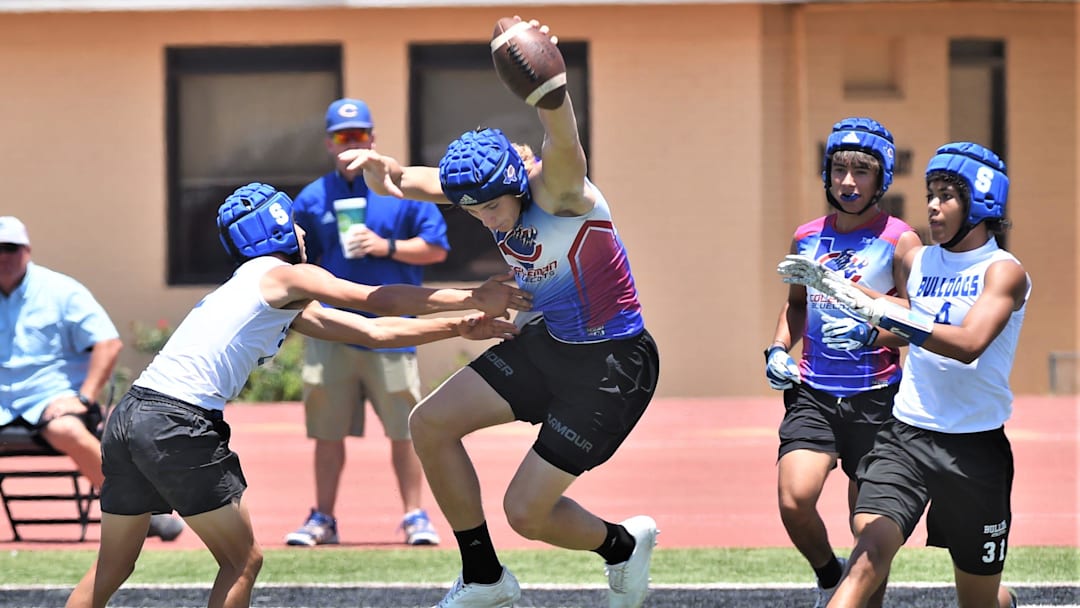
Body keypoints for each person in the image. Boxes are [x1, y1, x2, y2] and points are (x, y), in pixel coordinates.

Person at [64, 182, 530, 608]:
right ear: (279, 228)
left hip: (131, 416)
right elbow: (376, 301)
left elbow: (375, 333)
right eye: (294, 221)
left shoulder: (259, 291)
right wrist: (472, 295)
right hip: (177, 423)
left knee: (113, 568)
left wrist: (463, 327)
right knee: (242, 561)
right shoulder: (283, 276)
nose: (304, 231)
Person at [354, 18, 660, 608]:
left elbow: (562, 141)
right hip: (548, 346)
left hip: (612, 368)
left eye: (494, 207)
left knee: (526, 513)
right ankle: (483, 576)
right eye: (473, 211)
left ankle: (621, 545)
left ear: (517, 182)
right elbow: (415, 182)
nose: (488, 220)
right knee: (429, 423)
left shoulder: (562, 193)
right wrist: (382, 174)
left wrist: (550, 87)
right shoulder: (485, 191)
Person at [779, 142, 1026, 608]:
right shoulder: (920, 261)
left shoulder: (1004, 273)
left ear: (982, 201)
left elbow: (968, 344)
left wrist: (876, 310)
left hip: (973, 450)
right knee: (867, 555)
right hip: (905, 436)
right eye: (930, 193)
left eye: (947, 195)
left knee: (978, 600)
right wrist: (846, 300)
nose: (932, 205)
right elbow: (904, 319)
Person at [764, 118, 921, 607]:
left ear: (882, 178)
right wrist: (775, 349)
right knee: (794, 499)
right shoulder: (806, 236)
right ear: (826, 173)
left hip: (877, 401)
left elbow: (918, 325)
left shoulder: (902, 240)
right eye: (839, 169)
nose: (848, 182)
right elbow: (796, 305)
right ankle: (828, 575)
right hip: (813, 393)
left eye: (861, 171)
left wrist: (870, 331)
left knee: (868, 528)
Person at [287, 97, 451, 547]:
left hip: (393, 331)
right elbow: (295, 258)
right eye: (343, 136)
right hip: (331, 330)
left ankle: (415, 516)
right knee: (326, 432)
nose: (351, 143)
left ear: (373, 138)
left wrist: (386, 247)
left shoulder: (397, 191)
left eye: (359, 134)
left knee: (405, 430)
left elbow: (436, 248)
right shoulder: (313, 196)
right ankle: (323, 518)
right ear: (328, 142)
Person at [0, 216, 183, 542]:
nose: (2, 257)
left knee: (66, 429)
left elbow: (108, 343)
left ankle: (140, 510)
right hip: (3, 400)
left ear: (27, 250)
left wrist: (83, 398)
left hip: (53, 398)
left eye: (10, 248)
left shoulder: (61, 291)